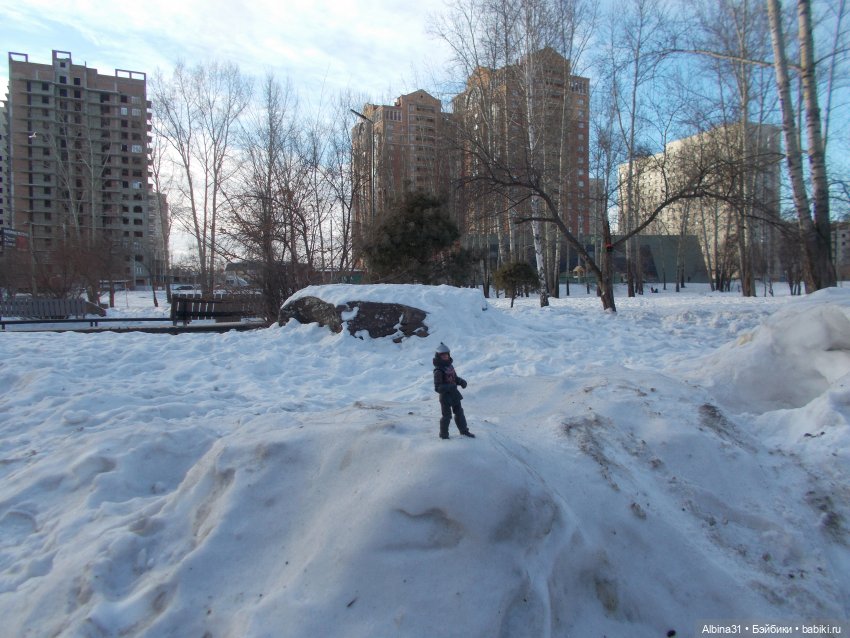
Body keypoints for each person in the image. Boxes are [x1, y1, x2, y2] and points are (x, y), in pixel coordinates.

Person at [432, 342, 475, 440]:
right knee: (447, 416)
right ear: (439, 356)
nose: (446, 356)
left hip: (454, 394)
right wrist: (449, 387)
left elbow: (454, 378)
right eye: (443, 355)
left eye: (447, 354)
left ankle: (464, 431)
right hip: (445, 397)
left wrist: (461, 381)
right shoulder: (438, 371)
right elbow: (437, 388)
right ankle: (444, 435)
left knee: (459, 412)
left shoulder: (450, 366)